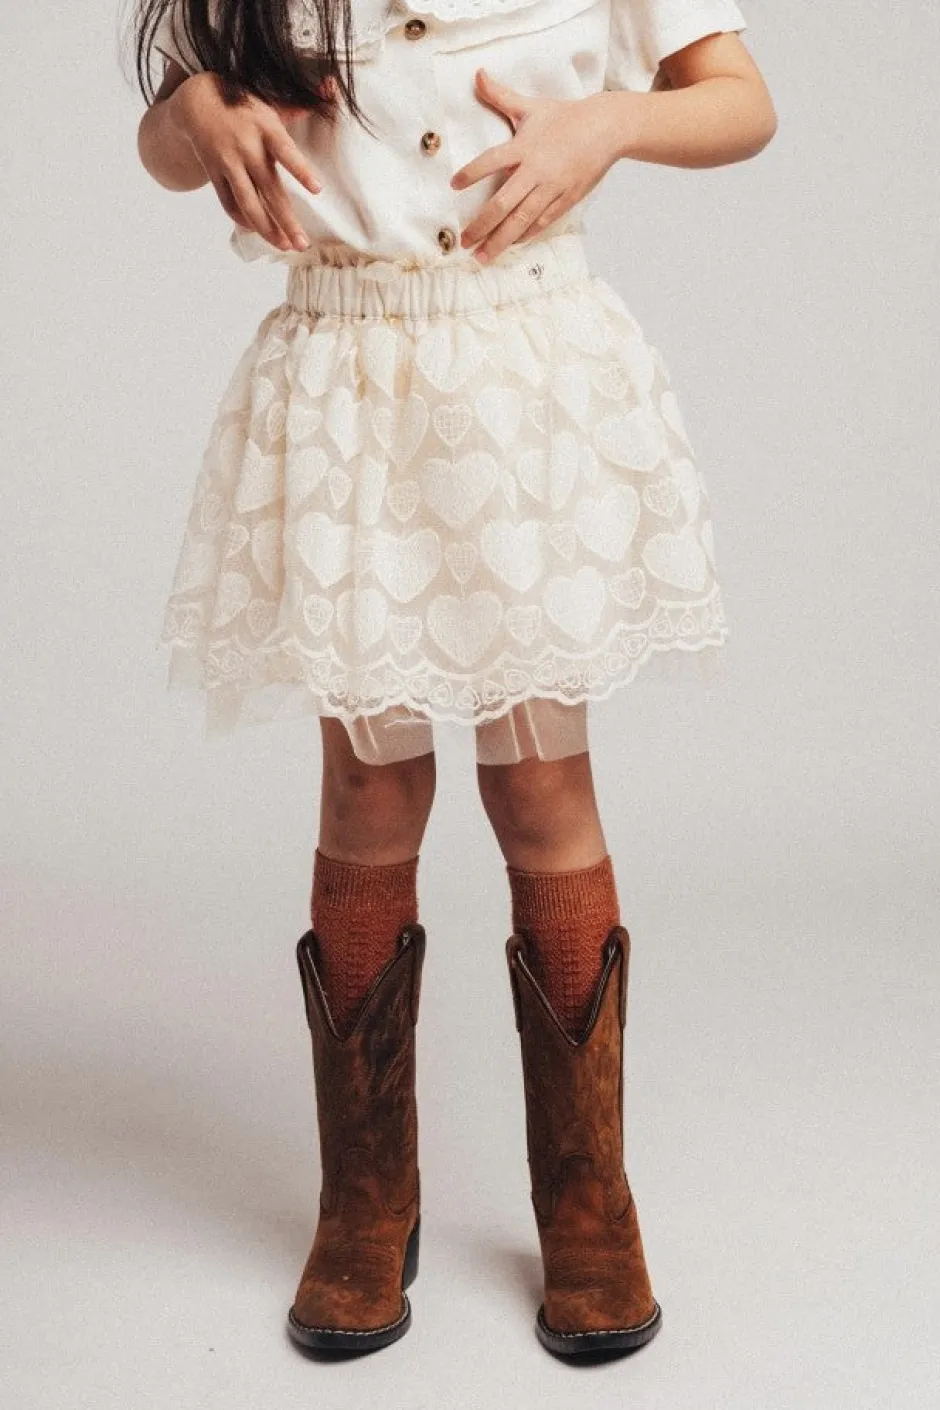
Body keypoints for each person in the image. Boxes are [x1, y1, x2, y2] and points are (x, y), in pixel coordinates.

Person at [133, 0, 776, 1358]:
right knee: (366, 783)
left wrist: (611, 125)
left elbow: (741, 101)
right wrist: (189, 114)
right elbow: (168, 142)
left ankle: (588, 1200)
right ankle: (366, 1197)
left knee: (541, 785)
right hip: (346, 375)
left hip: (520, 375)